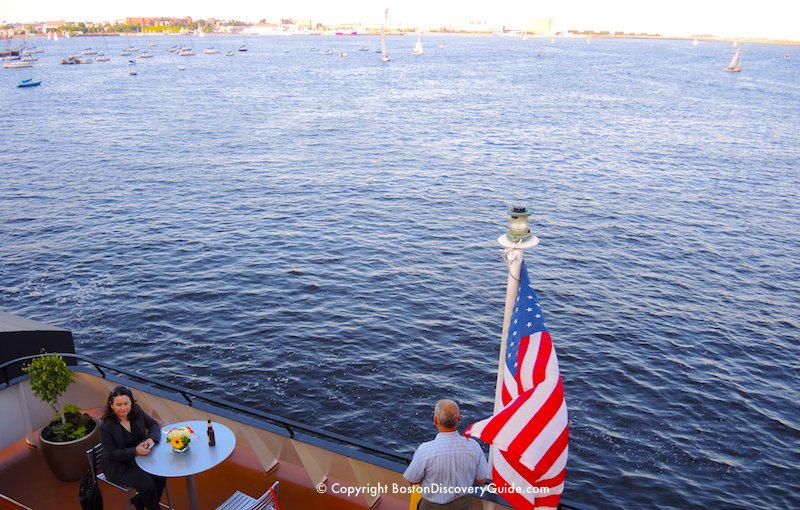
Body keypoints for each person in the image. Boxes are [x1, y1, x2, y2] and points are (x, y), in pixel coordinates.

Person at [404, 399, 490, 510]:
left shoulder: (425, 450)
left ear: (435, 420)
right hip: (462, 506)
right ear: (458, 419)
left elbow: (412, 480)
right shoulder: (474, 447)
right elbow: (481, 479)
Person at [100, 386, 166, 510]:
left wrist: (151, 439)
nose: (123, 408)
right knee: (148, 485)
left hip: (140, 458)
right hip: (119, 465)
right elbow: (111, 454)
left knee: (161, 475)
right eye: (118, 404)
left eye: (126, 403)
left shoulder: (137, 411)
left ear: (131, 402)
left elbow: (153, 424)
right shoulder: (106, 426)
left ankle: (140, 500)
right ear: (111, 405)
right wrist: (135, 451)